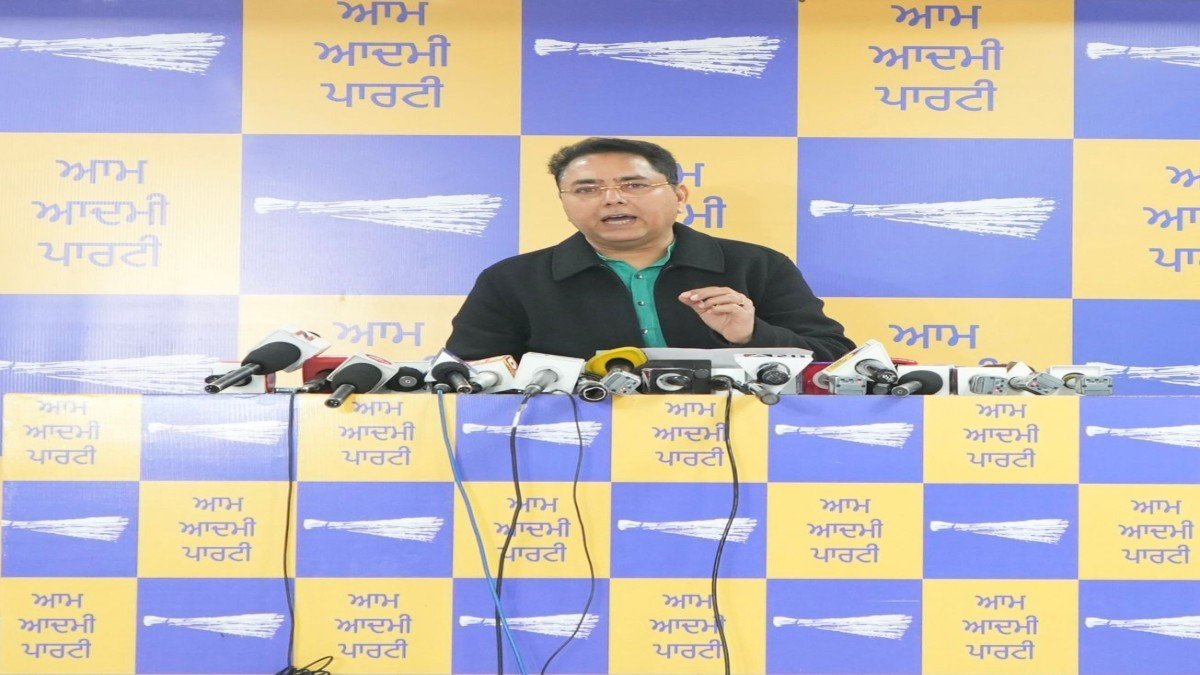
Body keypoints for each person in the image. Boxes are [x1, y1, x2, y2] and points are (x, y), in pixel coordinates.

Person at [446, 137, 855, 362]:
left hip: (731, 442)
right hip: (577, 451)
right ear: (564, 203)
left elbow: (836, 361)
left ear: (679, 195)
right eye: (587, 189)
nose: (612, 199)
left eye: (634, 185)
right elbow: (463, 376)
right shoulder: (512, 281)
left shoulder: (757, 265)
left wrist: (752, 334)